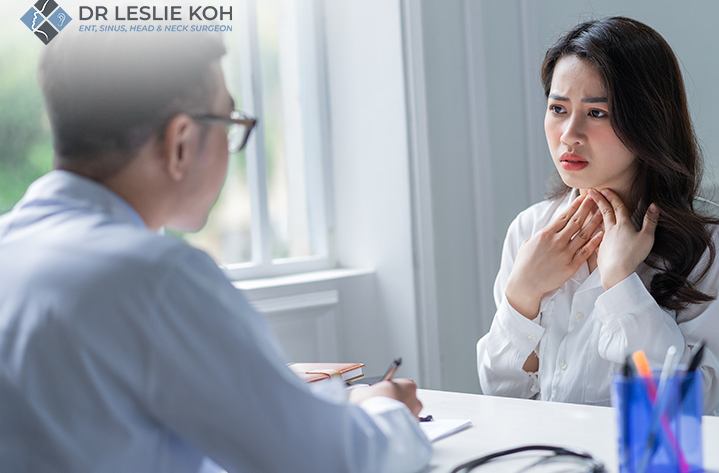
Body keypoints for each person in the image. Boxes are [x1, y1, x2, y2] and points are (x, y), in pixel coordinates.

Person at [0, 29, 431, 472]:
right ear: (181, 142)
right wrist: (385, 408)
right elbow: (333, 462)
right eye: (230, 126)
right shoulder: (156, 278)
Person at [476, 16, 719, 417]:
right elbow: (502, 400)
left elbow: (696, 402)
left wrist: (620, 281)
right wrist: (523, 296)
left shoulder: (710, 236)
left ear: (648, 120)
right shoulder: (530, 231)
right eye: (558, 108)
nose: (569, 134)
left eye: (597, 113)